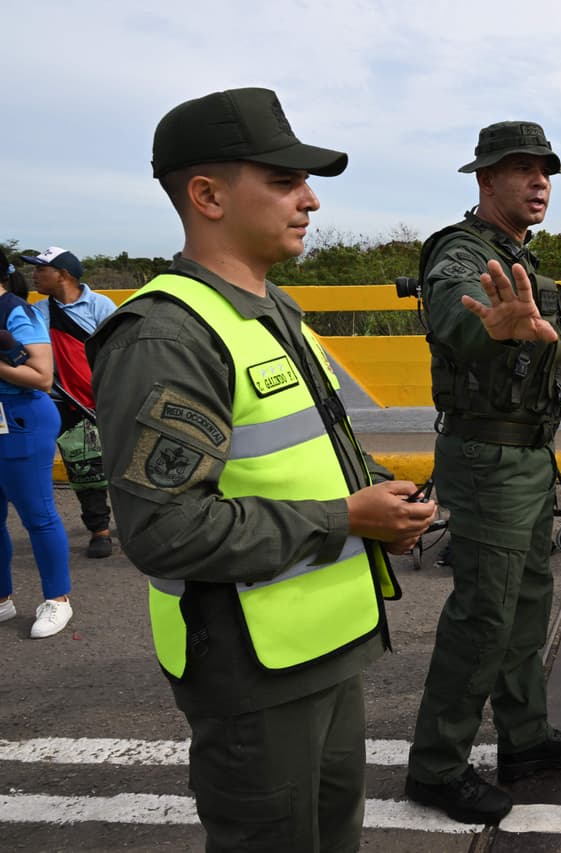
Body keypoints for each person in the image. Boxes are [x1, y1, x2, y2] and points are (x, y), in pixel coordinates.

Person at [87, 87, 437, 853]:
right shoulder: (167, 336)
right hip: (253, 667)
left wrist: (385, 495)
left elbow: (314, 446)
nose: (310, 199)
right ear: (207, 195)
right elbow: (165, 529)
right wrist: (346, 518)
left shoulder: (271, 307)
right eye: (282, 181)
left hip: (324, 643)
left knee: (333, 834)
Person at [403, 121, 561, 827]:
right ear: (485, 181)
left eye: (545, 169)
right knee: (483, 614)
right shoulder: (462, 252)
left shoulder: (512, 252)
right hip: (488, 459)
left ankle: (526, 740)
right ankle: (436, 766)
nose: (539, 181)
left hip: (525, 454)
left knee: (526, 604)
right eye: (521, 169)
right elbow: (457, 312)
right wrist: (491, 325)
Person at [22, 246, 116, 558]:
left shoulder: (101, 306)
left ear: (63, 274)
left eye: (40, 269)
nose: (34, 275)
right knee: (82, 467)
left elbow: (116, 352)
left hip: (104, 398)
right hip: (62, 400)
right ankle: (99, 531)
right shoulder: (38, 312)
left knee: (122, 464)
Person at [1, 249, 73, 639]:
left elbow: (42, 377)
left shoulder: (16, 312)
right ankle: (2, 599)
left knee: (38, 514)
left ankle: (57, 600)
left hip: (21, 419)